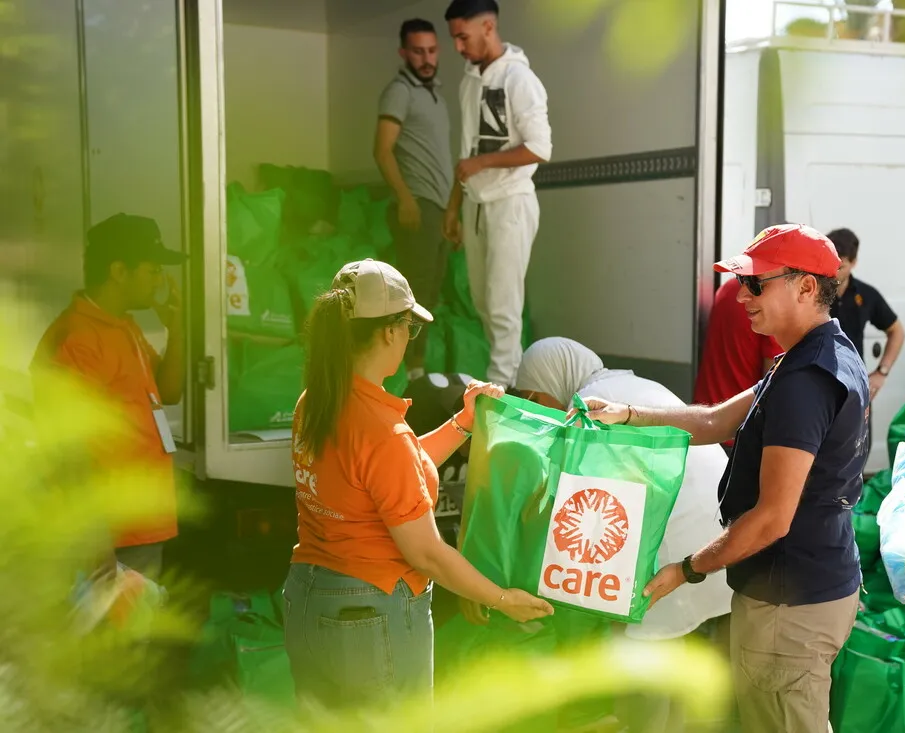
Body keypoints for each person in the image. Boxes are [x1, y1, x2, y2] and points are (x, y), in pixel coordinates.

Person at [584, 224, 869, 733]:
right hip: (815, 587)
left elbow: (772, 518)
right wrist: (629, 415)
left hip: (790, 606)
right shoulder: (819, 355)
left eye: (756, 284)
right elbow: (715, 421)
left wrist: (687, 569)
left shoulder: (806, 380)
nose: (740, 296)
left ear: (806, 287)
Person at [282, 258, 552, 710]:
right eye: (410, 327)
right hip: (369, 615)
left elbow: (389, 471)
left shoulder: (316, 400)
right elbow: (426, 553)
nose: (410, 338)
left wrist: (463, 422)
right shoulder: (382, 430)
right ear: (390, 331)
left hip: (309, 600)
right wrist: (503, 598)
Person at [511, 336, 733, 733]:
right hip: (724, 533)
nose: (537, 410)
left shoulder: (589, 405)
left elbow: (587, 508)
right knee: (676, 661)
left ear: (551, 379)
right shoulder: (631, 386)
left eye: (533, 397)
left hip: (677, 540)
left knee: (641, 660)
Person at [32, 213, 186, 580]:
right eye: (152, 271)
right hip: (111, 533)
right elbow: (69, 446)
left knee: (136, 632)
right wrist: (94, 539)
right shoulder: (78, 337)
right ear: (120, 271)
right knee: (118, 635)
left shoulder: (123, 325)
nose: (160, 281)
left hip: (141, 523)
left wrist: (177, 330)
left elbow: (169, 392)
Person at [443, 0, 552, 386]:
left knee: (504, 306)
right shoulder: (470, 79)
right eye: (454, 37)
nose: (458, 46)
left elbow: (541, 147)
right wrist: (454, 207)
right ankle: (505, 384)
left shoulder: (520, 80)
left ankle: (502, 392)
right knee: (484, 303)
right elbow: (465, 152)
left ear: (488, 26)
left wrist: (483, 164)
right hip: (475, 203)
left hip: (511, 202)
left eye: (463, 36)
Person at [374, 18, 454, 381]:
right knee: (414, 296)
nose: (426, 58)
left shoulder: (434, 94)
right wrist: (405, 199)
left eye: (432, 51)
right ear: (403, 53)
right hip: (417, 207)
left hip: (438, 210)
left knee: (431, 294)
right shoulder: (400, 91)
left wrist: (452, 212)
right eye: (418, 51)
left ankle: (419, 372)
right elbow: (382, 150)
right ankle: (410, 374)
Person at [694, 278, 783, 451]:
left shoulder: (728, 288)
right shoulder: (769, 307)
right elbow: (774, 391)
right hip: (736, 432)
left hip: (703, 422)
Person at [827, 227, 905, 402]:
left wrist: (881, 372)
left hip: (856, 387)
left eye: (840, 267)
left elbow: (897, 331)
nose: (833, 272)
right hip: (818, 384)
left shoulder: (866, 294)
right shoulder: (812, 291)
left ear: (853, 263)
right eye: (830, 264)